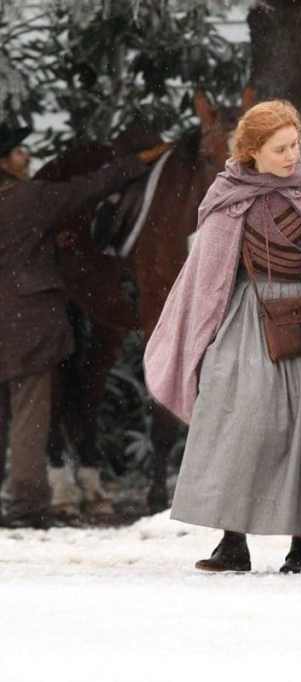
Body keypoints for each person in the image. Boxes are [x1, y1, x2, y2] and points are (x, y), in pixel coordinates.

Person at [145, 100, 301, 573]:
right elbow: (208, 273)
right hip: (247, 319)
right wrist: (200, 338)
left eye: (295, 144)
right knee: (237, 423)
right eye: (280, 149)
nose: (291, 156)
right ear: (252, 151)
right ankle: (231, 539)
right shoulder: (229, 193)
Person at [1, 124, 162, 527]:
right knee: (30, 413)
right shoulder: (29, 199)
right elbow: (89, 188)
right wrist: (137, 163)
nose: (27, 158)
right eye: (19, 152)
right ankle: (26, 503)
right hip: (27, 323)